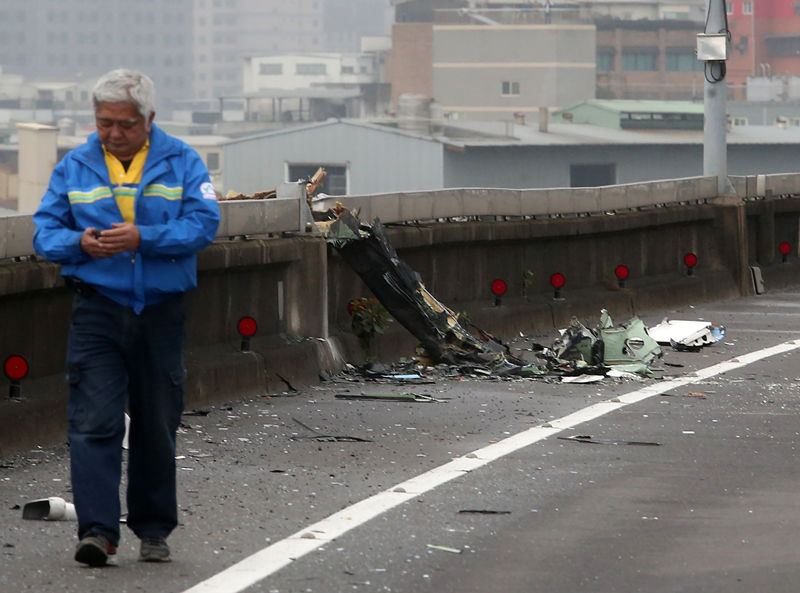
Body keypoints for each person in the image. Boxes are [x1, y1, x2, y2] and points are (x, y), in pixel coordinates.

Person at [33, 69, 220, 566]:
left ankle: (154, 527)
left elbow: (204, 224)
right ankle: (97, 531)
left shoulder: (182, 161)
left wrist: (144, 238)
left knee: (157, 422)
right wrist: (80, 243)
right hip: (97, 307)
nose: (114, 133)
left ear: (149, 119)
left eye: (125, 124)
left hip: (160, 311)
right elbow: (44, 232)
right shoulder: (74, 166)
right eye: (104, 123)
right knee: (93, 422)